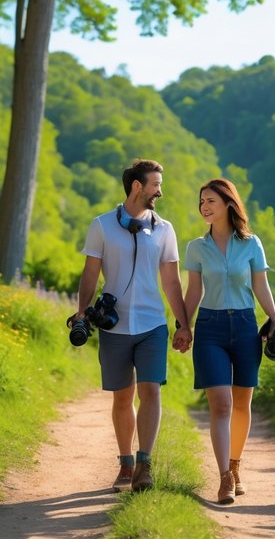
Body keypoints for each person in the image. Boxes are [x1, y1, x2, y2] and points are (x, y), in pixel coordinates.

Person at [71, 158, 192, 493]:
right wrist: (81, 312)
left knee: (150, 390)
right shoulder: (102, 225)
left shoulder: (164, 229)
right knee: (122, 398)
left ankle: (144, 464)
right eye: (155, 185)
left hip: (152, 324)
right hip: (113, 326)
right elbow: (90, 274)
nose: (160, 192)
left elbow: (171, 282)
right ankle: (125, 464)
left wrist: (183, 323)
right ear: (137, 186)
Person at [182, 178, 275, 504]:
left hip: (245, 325)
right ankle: (224, 476)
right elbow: (194, 291)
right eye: (201, 202)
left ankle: (236, 466)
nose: (204, 207)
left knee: (241, 404)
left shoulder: (251, 244)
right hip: (210, 329)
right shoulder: (196, 247)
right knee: (220, 404)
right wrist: (184, 325)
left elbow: (261, 286)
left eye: (210, 201)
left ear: (227, 203)